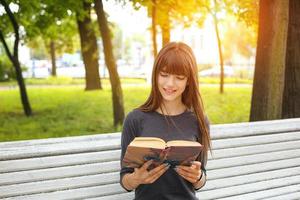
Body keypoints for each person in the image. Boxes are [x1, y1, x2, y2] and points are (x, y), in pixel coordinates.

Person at [120, 42, 212, 200]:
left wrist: (197, 177)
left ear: (189, 80)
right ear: (155, 75)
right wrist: (136, 179)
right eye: (164, 75)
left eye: (179, 77)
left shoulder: (199, 120)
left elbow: (201, 177)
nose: (170, 84)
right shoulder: (135, 119)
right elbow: (125, 180)